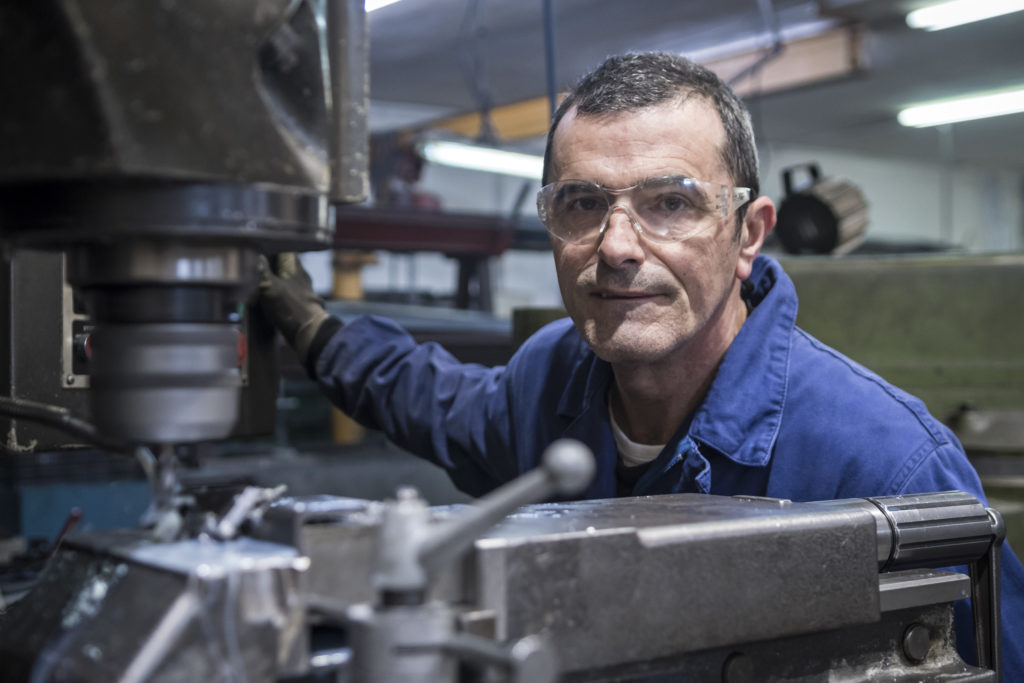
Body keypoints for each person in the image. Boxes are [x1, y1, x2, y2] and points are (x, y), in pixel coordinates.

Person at [260, 52, 1022, 673]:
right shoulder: (549, 381)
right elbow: (434, 401)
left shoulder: (886, 464)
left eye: (671, 203)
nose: (618, 247)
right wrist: (316, 328)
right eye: (583, 204)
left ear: (748, 231)